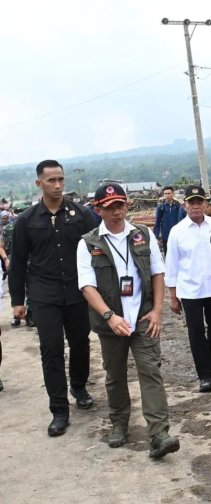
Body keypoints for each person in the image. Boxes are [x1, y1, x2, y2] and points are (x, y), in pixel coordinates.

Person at [77, 183, 180, 459]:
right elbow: (87, 287)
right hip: (111, 322)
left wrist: (157, 310)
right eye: (109, 207)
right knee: (115, 375)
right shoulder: (88, 243)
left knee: (151, 371)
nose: (116, 212)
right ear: (98, 209)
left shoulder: (143, 234)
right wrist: (109, 317)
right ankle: (119, 424)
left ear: (127, 205)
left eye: (120, 205)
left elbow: (158, 273)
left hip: (144, 317)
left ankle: (159, 433)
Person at [9, 159, 97, 436]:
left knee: (81, 342)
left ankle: (79, 387)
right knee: (51, 349)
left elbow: (97, 252)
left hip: (76, 291)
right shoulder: (27, 220)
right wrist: (17, 300)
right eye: (51, 181)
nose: (57, 185)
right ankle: (59, 409)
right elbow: (19, 261)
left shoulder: (81, 214)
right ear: (39, 183)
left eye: (61, 179)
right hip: (43, 293)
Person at [165, 185, 211, 392]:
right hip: (190, 292)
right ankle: (205, 375)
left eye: (200, 202)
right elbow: (171, 265)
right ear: (185, 205)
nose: (196, 206)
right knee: (196, 332)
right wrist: (172, 296)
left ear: (206, 204)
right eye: (192, 202)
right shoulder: (177, 232)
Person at [154, 186, 186, 254]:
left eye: (169, 193)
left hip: (178, 235)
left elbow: (185, 218)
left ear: (173, 194)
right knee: (167, 254)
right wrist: (156, 237)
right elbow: (157, 222)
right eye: (165, 194)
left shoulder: (178, 206)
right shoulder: (161, 207)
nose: (167, 195)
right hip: (166, 235)